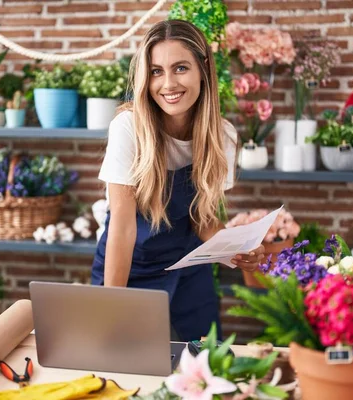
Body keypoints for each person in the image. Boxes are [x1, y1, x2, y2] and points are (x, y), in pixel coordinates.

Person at [91, 19, 265, 341]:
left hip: (189, 269)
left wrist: (236, 251)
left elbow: (204, 219)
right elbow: (123, 227)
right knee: (122, 365)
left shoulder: (221, 135)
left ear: (203, 69)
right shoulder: (129, 128)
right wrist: (111, 304)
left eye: (180, 68)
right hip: (130, 267)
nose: (168, 84)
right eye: (156, 71)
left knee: (208, 365)